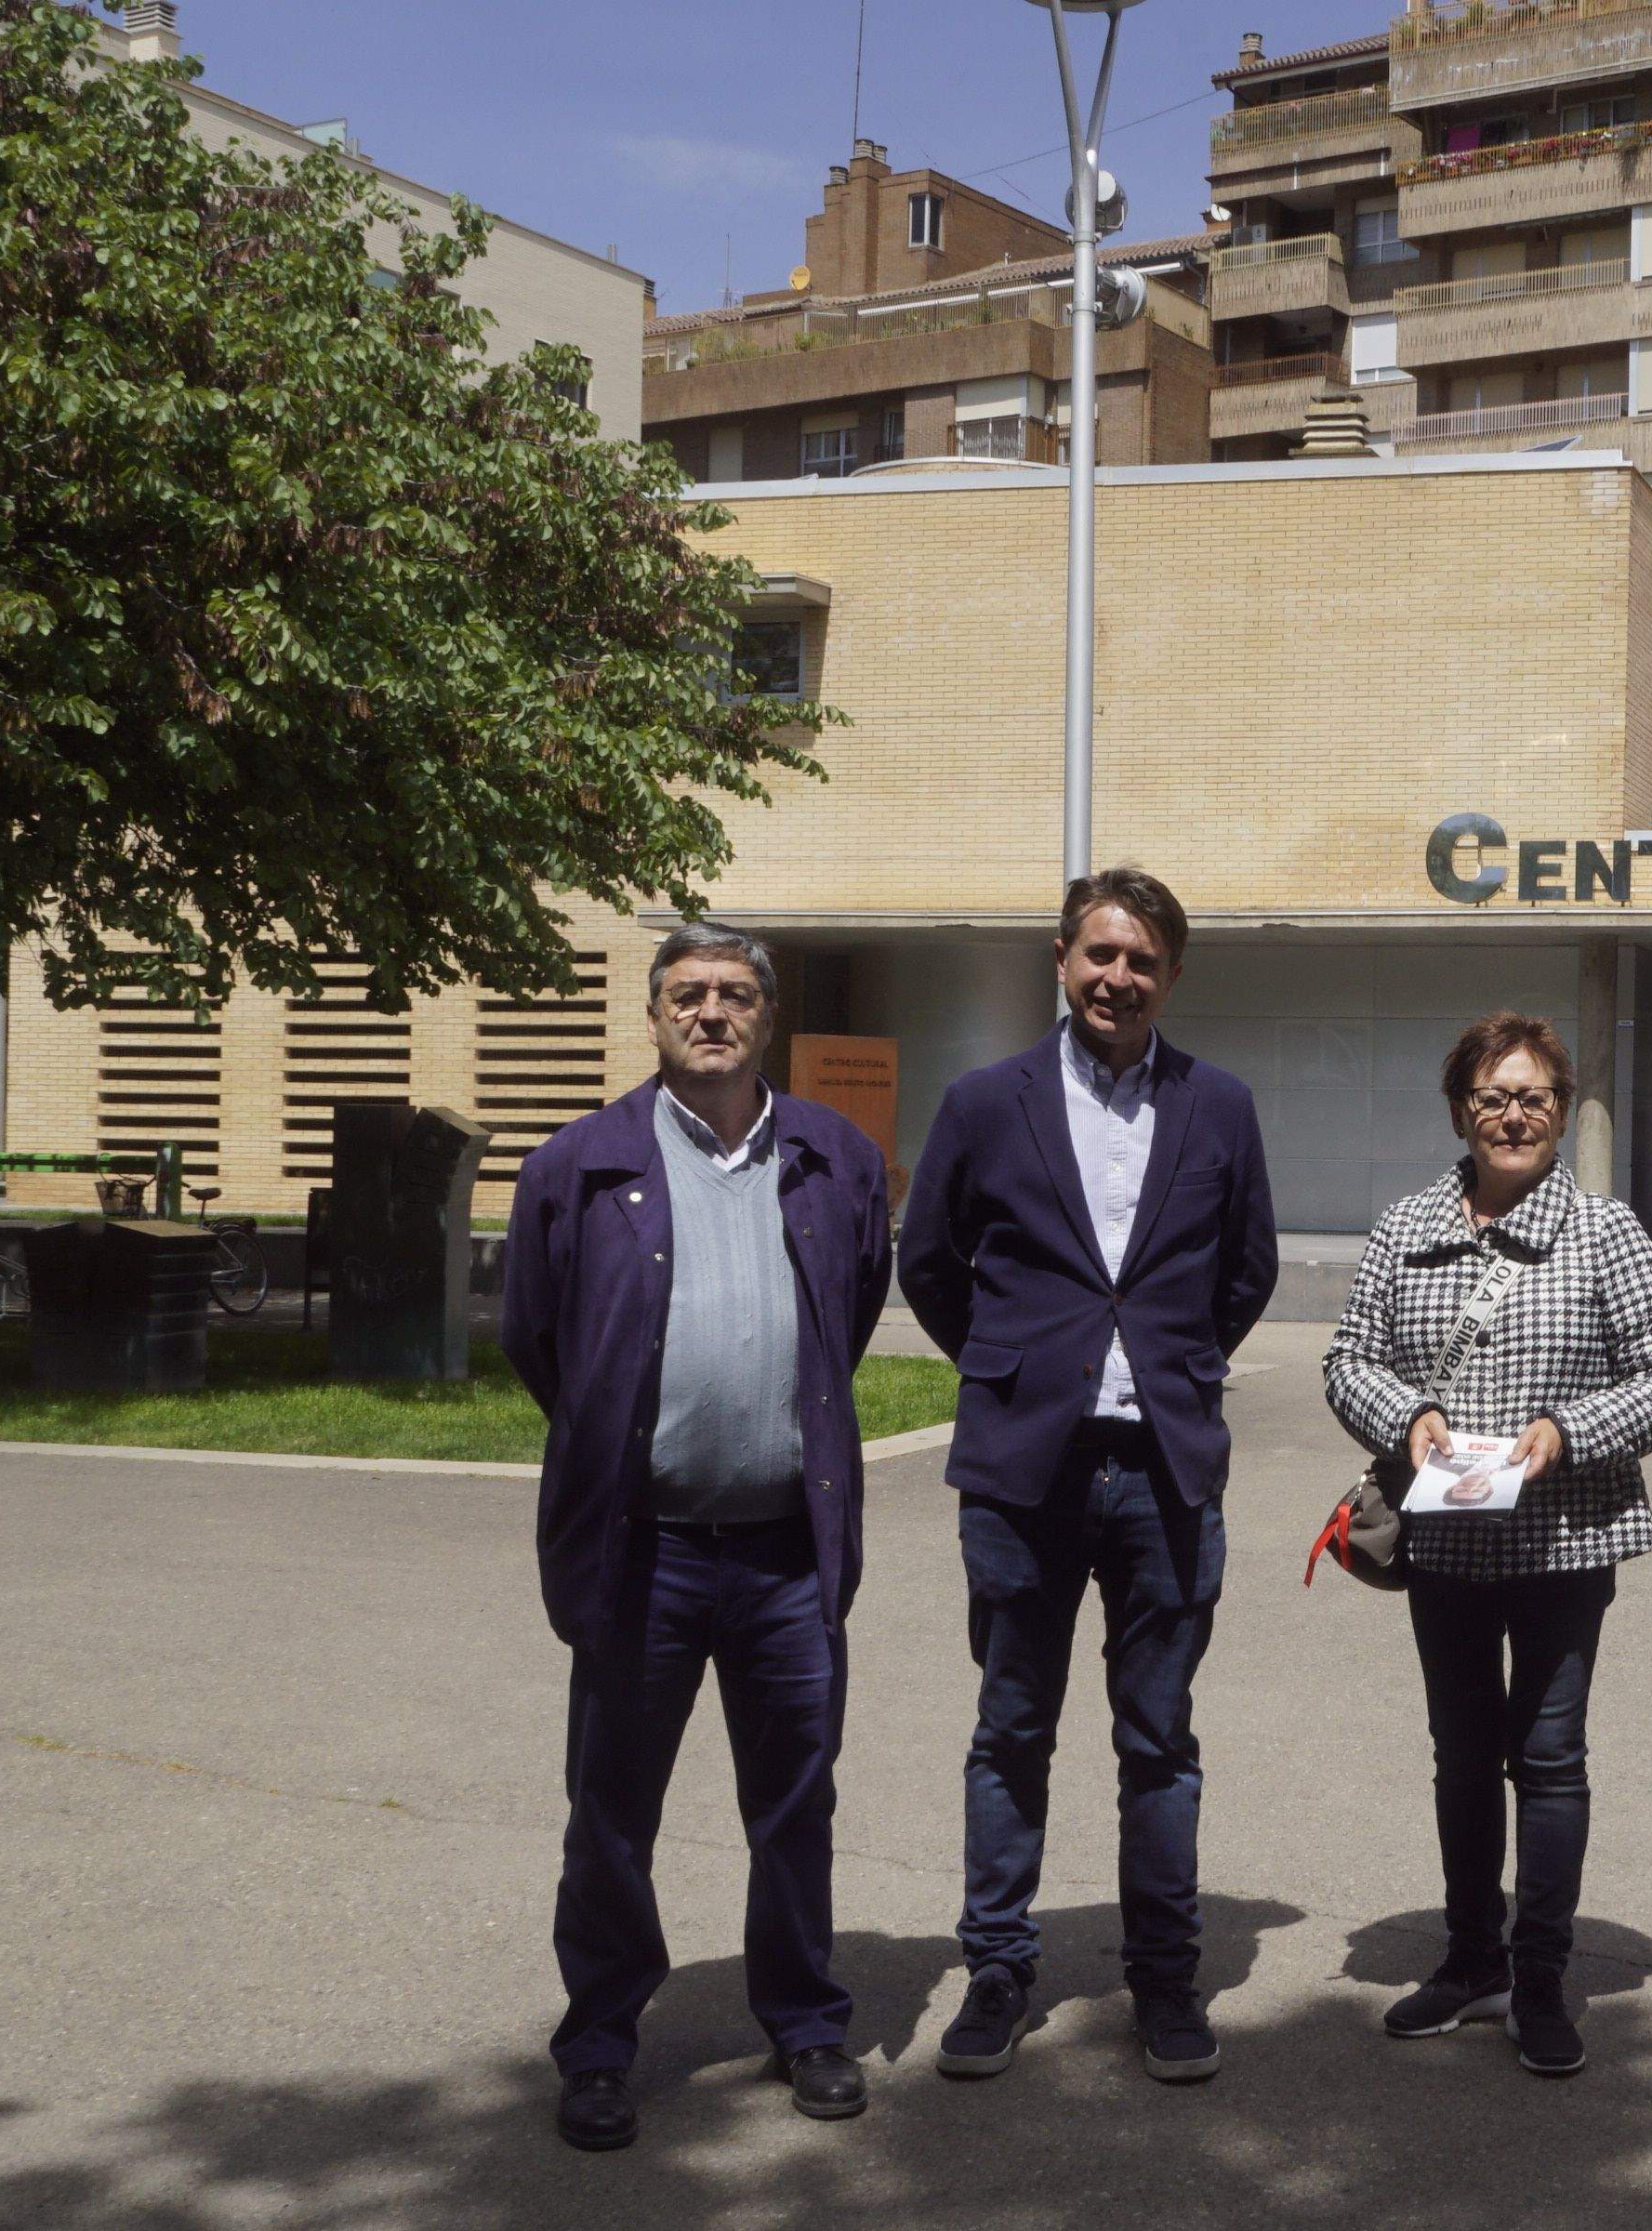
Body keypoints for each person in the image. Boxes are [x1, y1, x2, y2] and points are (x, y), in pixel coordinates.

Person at [501, 922, 893, 2149]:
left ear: (766, 1017)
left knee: (794, 1806)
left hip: (787, 1553)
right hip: (645, 1553)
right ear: (655, 1014)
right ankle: (603, 2043)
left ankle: (806, 2021)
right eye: (689, 994)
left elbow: (855, 1309)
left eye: (734, 994)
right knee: (611, 1811)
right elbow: (539, 1342)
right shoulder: (580, 1163)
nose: (712, 1012)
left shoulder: (835, 1158)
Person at [898, 867, 1279, 2086]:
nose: (1120, 977)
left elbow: (1248, 1269)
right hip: (1026, 1472)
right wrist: (1015, 1370)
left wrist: (1169, 1365)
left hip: (1163, 1470)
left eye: (1144, 961)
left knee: (1157, 1737)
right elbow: (933, 1264)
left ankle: (1163, 1979)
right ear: (1059, 960)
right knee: (1011, 1727)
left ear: (1171, 977)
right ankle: (999, 1969)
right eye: (1100, 954)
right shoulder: (982, 1102)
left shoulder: (1219, 1107)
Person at [1324, 1011, 1652, 2079]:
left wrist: (1570, 1432)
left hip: (1566, 1538)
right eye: (1493, 1098)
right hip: (1443, 1547)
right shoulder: (1405, 1226)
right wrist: (1405, 1419)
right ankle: (1470, 1954)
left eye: (1534, 1098)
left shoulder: (1606, 1231)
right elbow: (1349, 1358)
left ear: (1563, 1113)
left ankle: (1540, 1975)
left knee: (1551, 1759)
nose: (1514, 1115)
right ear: (1460, 1113)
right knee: (1460, 1757)